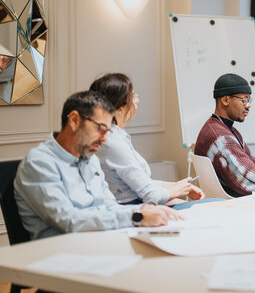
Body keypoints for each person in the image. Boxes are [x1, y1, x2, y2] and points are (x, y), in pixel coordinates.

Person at [14, 91, 182, 240]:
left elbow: (109, 206)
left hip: (102, 240)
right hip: (61, 253)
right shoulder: (39, 163)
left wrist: (149, 210)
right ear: (74, 120)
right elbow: (68, 221)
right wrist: (136, 217)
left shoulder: (89, 158)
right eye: (101, 129)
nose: (105, 139)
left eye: (108, 131)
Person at [90, 73, 211, 209]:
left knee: (210, 205)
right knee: (212, 205)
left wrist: (177, 186)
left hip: (141, 202)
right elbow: (149, 195)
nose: (137, 100)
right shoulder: (113, 143)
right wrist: (177, 190)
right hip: (136, 208)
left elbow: (143, 183)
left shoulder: (115, 136)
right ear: (120, 108)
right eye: (133, 96)